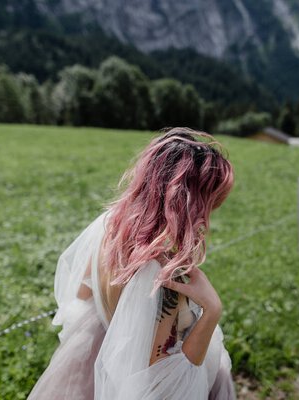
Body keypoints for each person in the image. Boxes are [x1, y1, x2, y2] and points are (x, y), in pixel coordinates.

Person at [27, 128, 236, 399]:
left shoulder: (110, 226)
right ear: (190, 202)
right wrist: (211, 310)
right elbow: (164, 384)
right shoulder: (165, 277)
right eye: (211, 201)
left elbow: (82, 297)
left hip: (92, 365)